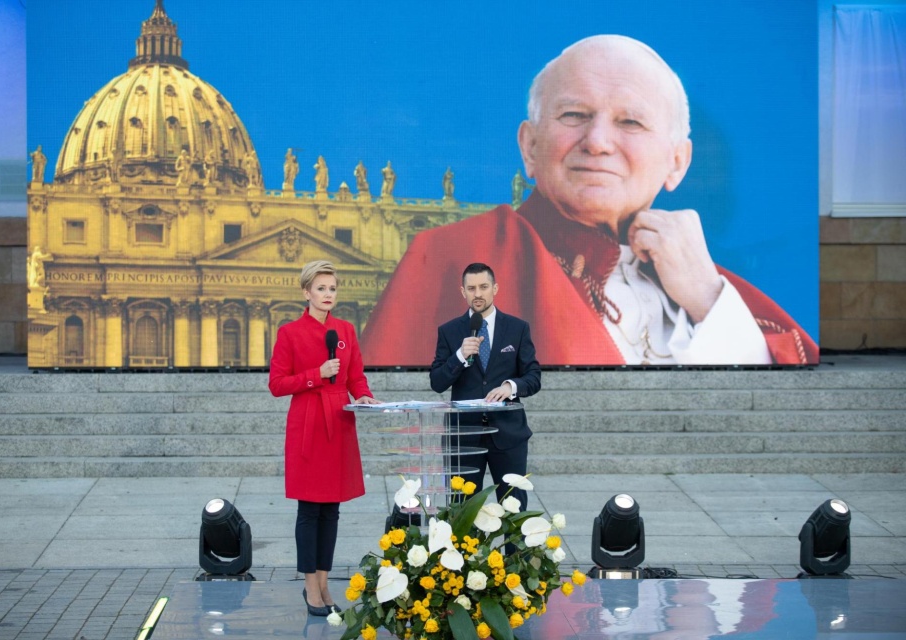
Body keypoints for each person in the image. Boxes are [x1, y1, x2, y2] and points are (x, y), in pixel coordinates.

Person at [361, 35, 818, 366]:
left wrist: (707, 298)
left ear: (677, 162)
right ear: (529, 146)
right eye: (574, 115)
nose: (597, 142)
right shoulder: (447, 258)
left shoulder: (715, 291)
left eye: (631, 122)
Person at [268, 260, 380, 616]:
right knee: (309, 509)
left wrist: (362, 395)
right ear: (306, 292)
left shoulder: (346, 329)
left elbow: (356, 377)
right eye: (321, 288)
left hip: (340, 421)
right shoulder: (290, 333)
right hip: (308, 422)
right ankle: (309, 586)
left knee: (332, 509)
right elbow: (277, 384)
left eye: (332, 288)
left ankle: (324, 582)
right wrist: (315, 375)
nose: (328, 294)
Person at [430, 263, 541, 516]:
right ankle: (467, 557)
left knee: (514, 511)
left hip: (508, 435)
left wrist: (510, 386)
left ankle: (514, 558)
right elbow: (437, 382)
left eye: (483, 287)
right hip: (464, 437)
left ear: (495, 289)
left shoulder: (517, 328)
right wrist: (459, 355)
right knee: (463, 512)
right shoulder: (449, 331)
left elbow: (533, 376)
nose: (477, 294)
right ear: (463, 292)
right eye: (471, 288)